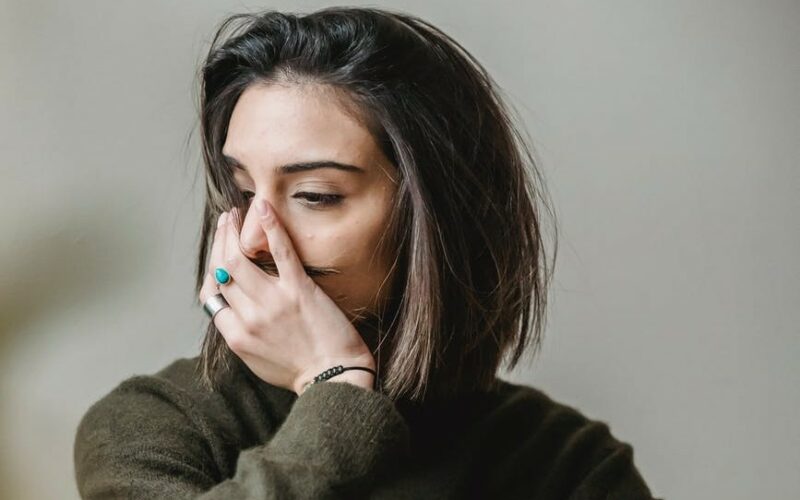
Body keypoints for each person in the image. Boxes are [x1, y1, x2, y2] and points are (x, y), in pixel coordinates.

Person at [73, 6, 658, 499]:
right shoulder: (155, 425)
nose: (253, 239)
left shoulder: (572, 467)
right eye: (244, 192)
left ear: (436, 217)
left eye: (315, 196)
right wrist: (336, 394)